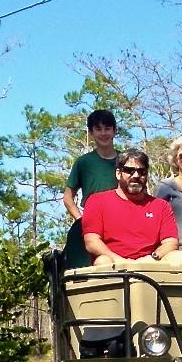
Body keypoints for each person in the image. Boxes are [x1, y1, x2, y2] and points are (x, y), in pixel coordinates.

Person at [81, 147, 180, 265]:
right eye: (129, 170)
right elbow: (92, 242)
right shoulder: (96, 201)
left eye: (141, 171)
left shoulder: (161, 206)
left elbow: (171, 242)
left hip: (150, 264)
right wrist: (120, 261)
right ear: (118, 173)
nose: (136, 175)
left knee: (179, 256)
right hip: (114, 263)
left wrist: (152, 258)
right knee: (103, 261)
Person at [62, 109, 118, 269]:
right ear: (91, 133)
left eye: (107, 128)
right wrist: (81, 220)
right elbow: (68, 198)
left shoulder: (125, 162)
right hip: (92, 224)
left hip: (121, 223)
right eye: (98, 129)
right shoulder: (83, 162)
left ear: (114, 131)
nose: (103, 133)